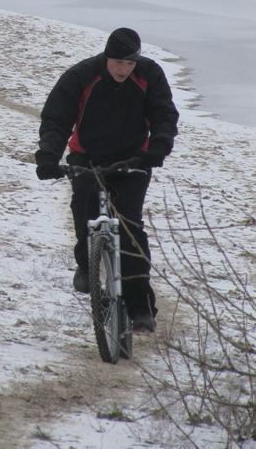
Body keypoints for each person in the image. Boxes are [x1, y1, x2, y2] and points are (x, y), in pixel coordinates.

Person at [35, 28, 179, 332]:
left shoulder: (149, 75)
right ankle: (87, 265)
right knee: (83, 207)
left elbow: (164, 115)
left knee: (129, 226)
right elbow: (56, 119)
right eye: (117, 63)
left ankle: (140, 307)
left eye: (129, 64)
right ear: (106, 57)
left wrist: (157, 149)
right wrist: (48, 157)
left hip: (133, 160)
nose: (123, 70)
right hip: (87, 158)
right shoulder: (82, 75)